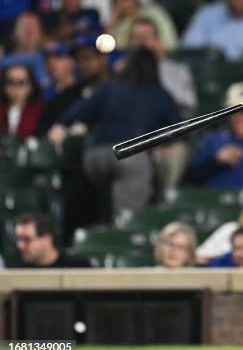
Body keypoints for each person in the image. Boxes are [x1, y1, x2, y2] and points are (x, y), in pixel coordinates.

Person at [48, 48, 181, 222]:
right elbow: (178, 128)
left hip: (95, 157)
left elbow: (77, 113)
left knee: (107, 201)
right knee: (126, 217)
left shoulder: (110, 87)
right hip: (130, 155)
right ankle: (120, 237)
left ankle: (103, 228)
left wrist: (61, 126)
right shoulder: (157, 93)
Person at [129, 17, 196, 118]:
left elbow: (189, 108)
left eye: (146, 37)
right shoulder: (121, 71)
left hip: (165, 126)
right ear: (130, 42)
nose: (142, 43)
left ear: (157, 41)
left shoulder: (177, 71)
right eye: (138, 38)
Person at [107, 0, 178, 50]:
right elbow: (111, 50)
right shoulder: (117, 23)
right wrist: (112, 23)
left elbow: (170, 45)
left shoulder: (154, 14)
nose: (123, 3)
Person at [12, 213, 91, 268]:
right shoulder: (16, 271)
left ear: (47, 239)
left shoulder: (78, 267)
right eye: (19, 239)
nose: (20, 245)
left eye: (27, 239)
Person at [1, 12, 49, 89]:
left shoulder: (53, 57)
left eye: (33, 27)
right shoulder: (2, 61)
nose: (29, 32)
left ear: (41, 33)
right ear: (13, 34)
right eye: (24, 27)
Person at [0, 64, 44, 140]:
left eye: (21, 82)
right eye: (10, 82)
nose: (15, 87)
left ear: (30, 86)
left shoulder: (41, 110)